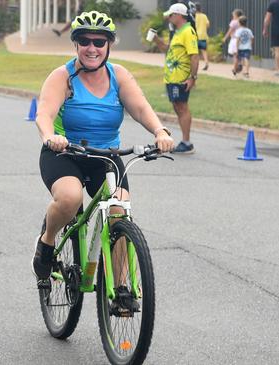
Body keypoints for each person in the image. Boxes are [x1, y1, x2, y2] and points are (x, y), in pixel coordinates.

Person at [32, 11, 174, 309]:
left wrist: (160, 131)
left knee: (119, 211)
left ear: (109, 45)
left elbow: (140, 108)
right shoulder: (62, 76)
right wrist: (50, 136)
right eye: (84, 40)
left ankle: (121, 289)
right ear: (76, 44)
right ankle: (47, 241)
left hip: (106, 157)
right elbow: (44, 113)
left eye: (99, 41)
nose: (92, 47)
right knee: (70, 198)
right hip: (64, 152)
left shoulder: (118, 75)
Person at [152, 2, 198, 154]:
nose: (169, 18)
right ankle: (185, 141)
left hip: (181, 78)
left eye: (171, 15)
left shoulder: (188, 31)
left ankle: (187, 142)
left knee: (182, 107)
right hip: (172, 78)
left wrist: (193, 77)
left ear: (179, 15)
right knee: (177, 107)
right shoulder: (178, 31)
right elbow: (168, 50)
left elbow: (194, 56)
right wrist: (156, 40)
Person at [224, 9, 244, 74]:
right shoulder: (241, 22)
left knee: (235, 55)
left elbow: (230, 30)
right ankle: (239, 64)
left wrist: (225, 38)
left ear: (236, 15)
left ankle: (235, 69)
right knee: (239, 55)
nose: (232, 16)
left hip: (234, 39)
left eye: (233, 15)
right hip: (241, 40)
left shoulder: (234, 22)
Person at [263, 0, 279, 76]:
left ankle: (277, 70)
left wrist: (265, 29)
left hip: (276, 30)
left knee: (277, 50)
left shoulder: (273, 3)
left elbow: (267, 19)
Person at [194, 2, 210, 70]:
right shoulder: (204, 16)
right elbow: (208, 24)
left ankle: (196, 64)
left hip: (195, 36)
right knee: (204, 51)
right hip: (203, 35)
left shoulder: (193, 16)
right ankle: (206, 63)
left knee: (195, 52)